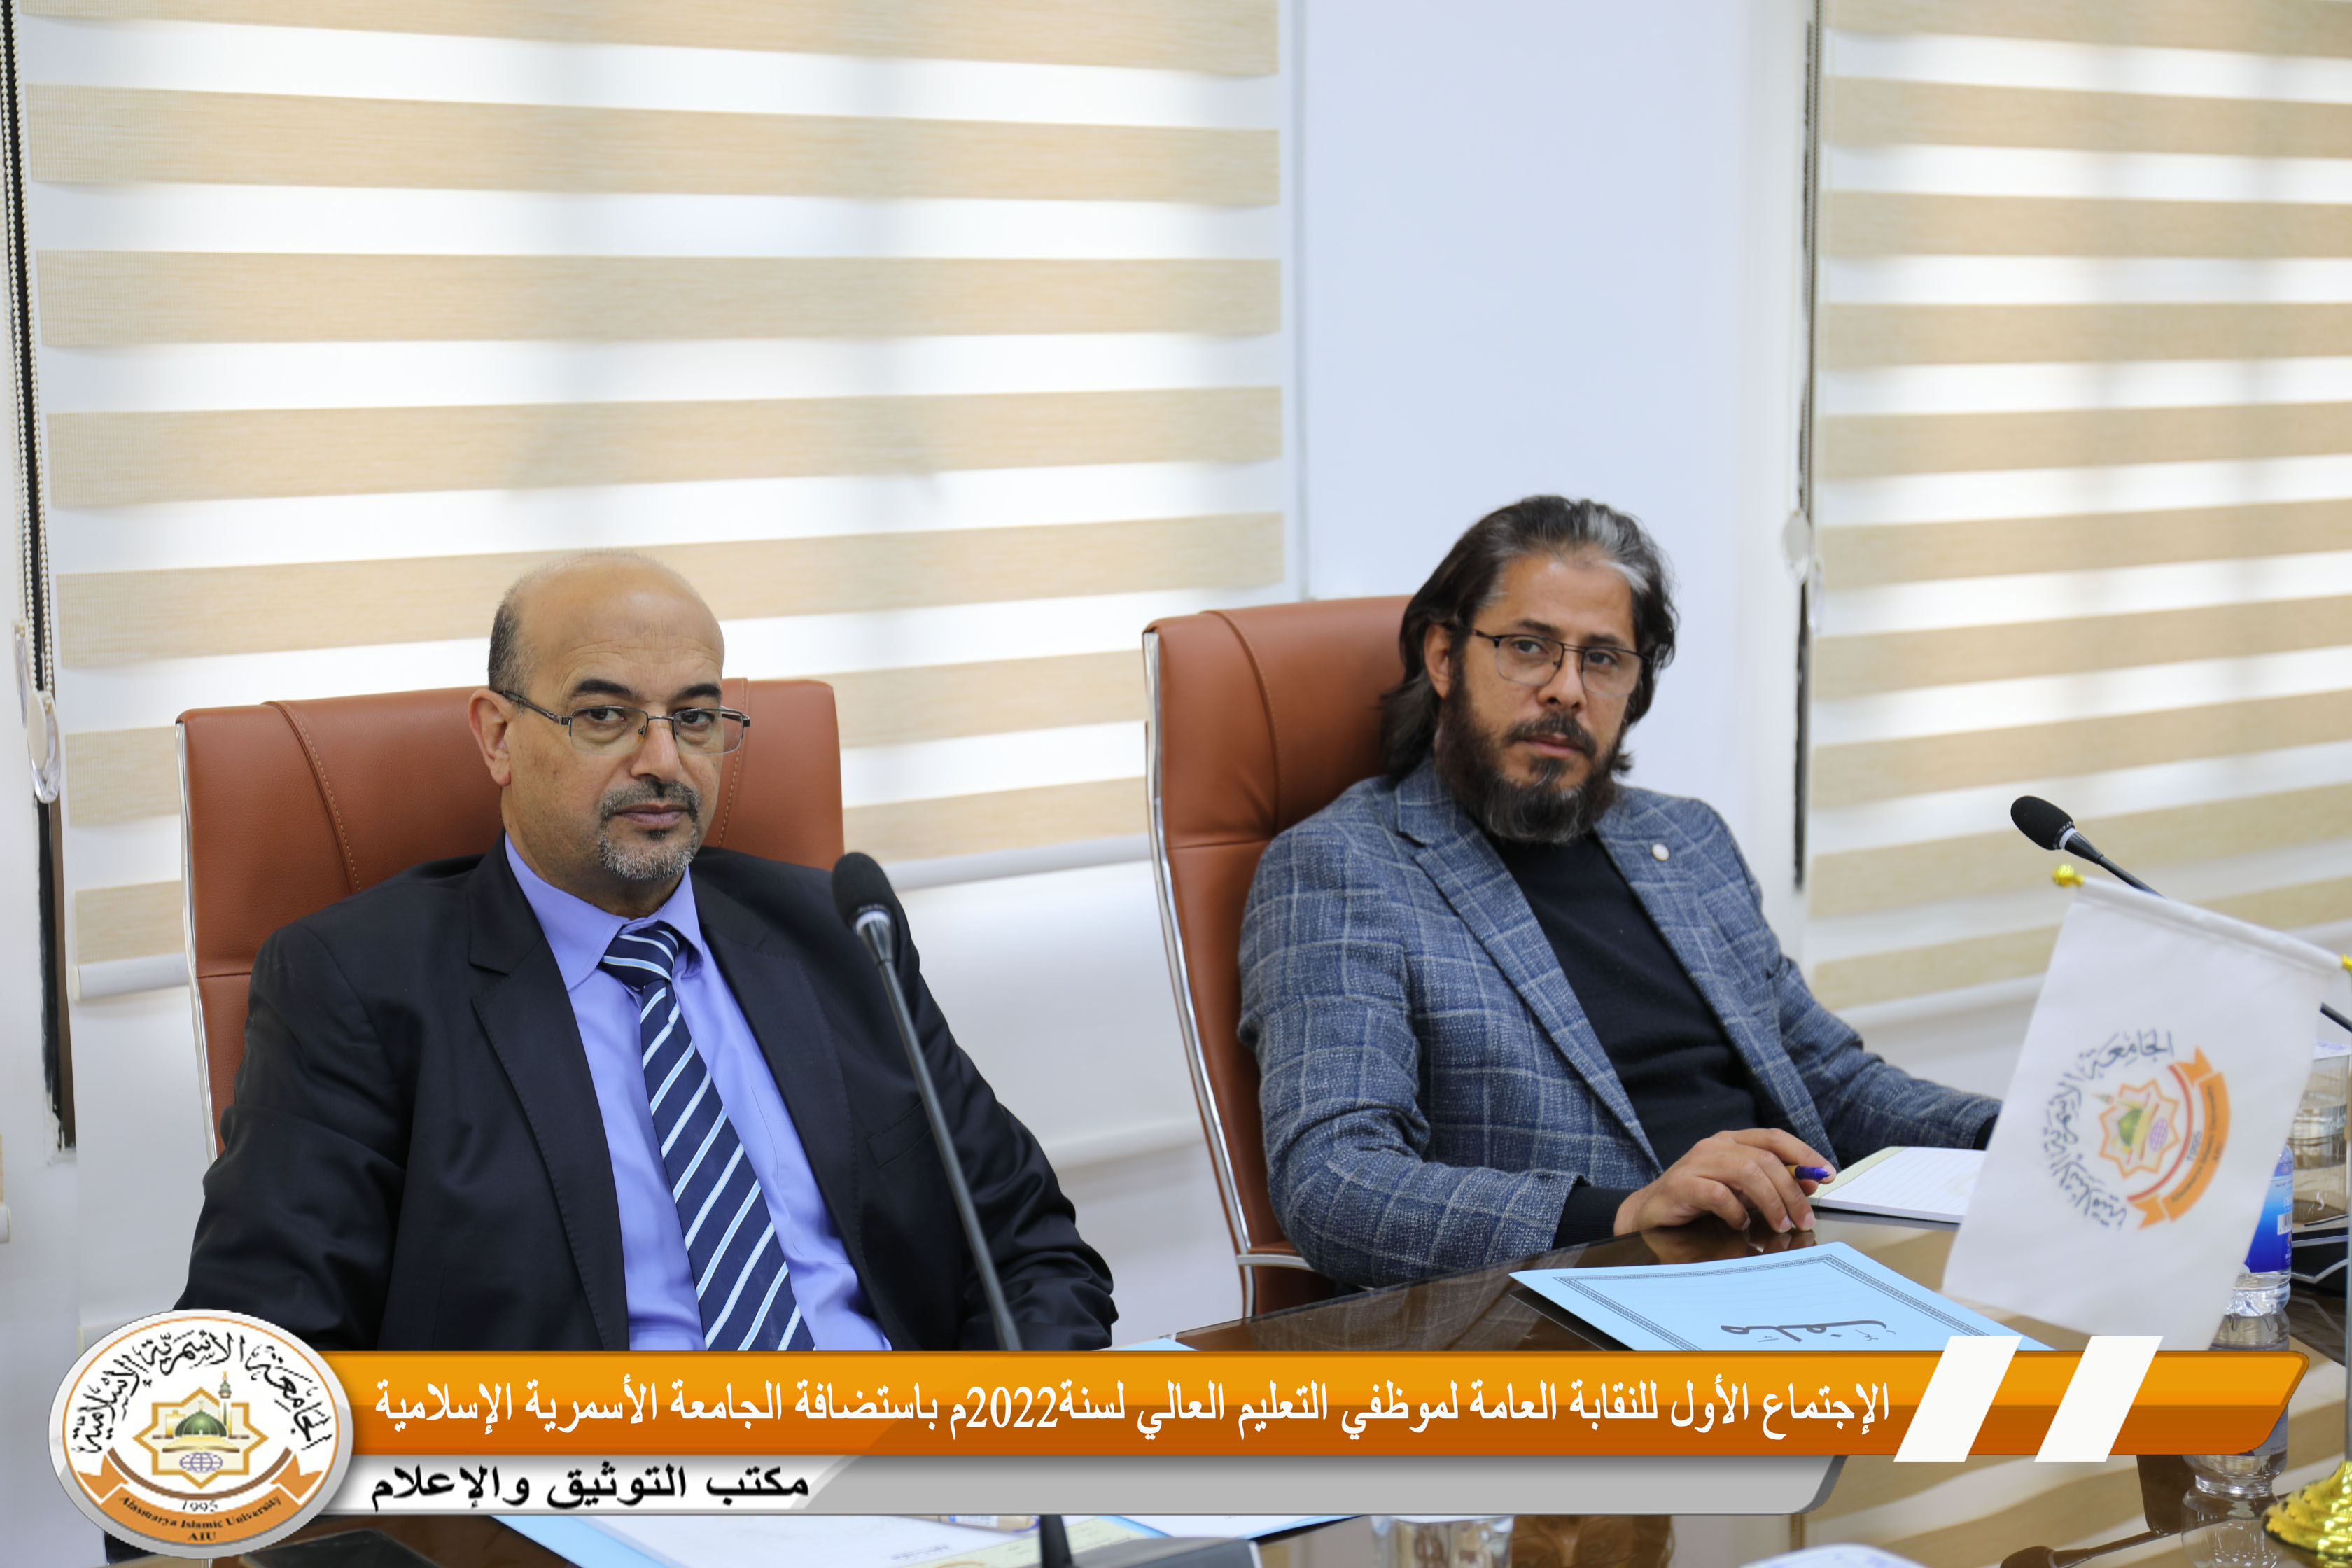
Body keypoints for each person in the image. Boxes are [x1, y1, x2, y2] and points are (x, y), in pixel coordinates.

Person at [178, 552, 1114, 1351]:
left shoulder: (837, 931)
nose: (664, 760)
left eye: (696, 717)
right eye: (604, 716)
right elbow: (266, 1350)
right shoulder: (357, 983)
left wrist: (991, 1449)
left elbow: (1028, 1247)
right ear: (498, 736)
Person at [1240, 496, 1998, 1288]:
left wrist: (2018, 1140)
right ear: (1442, 656)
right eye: (1528, 648)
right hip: (1568, 1308)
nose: (1567, 690)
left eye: (1603, 660)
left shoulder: (1689, 840)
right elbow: (1336, 1183)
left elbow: (1834, 1083)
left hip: (1796, 1268)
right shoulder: (1343, 867)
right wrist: (1625, 1213)